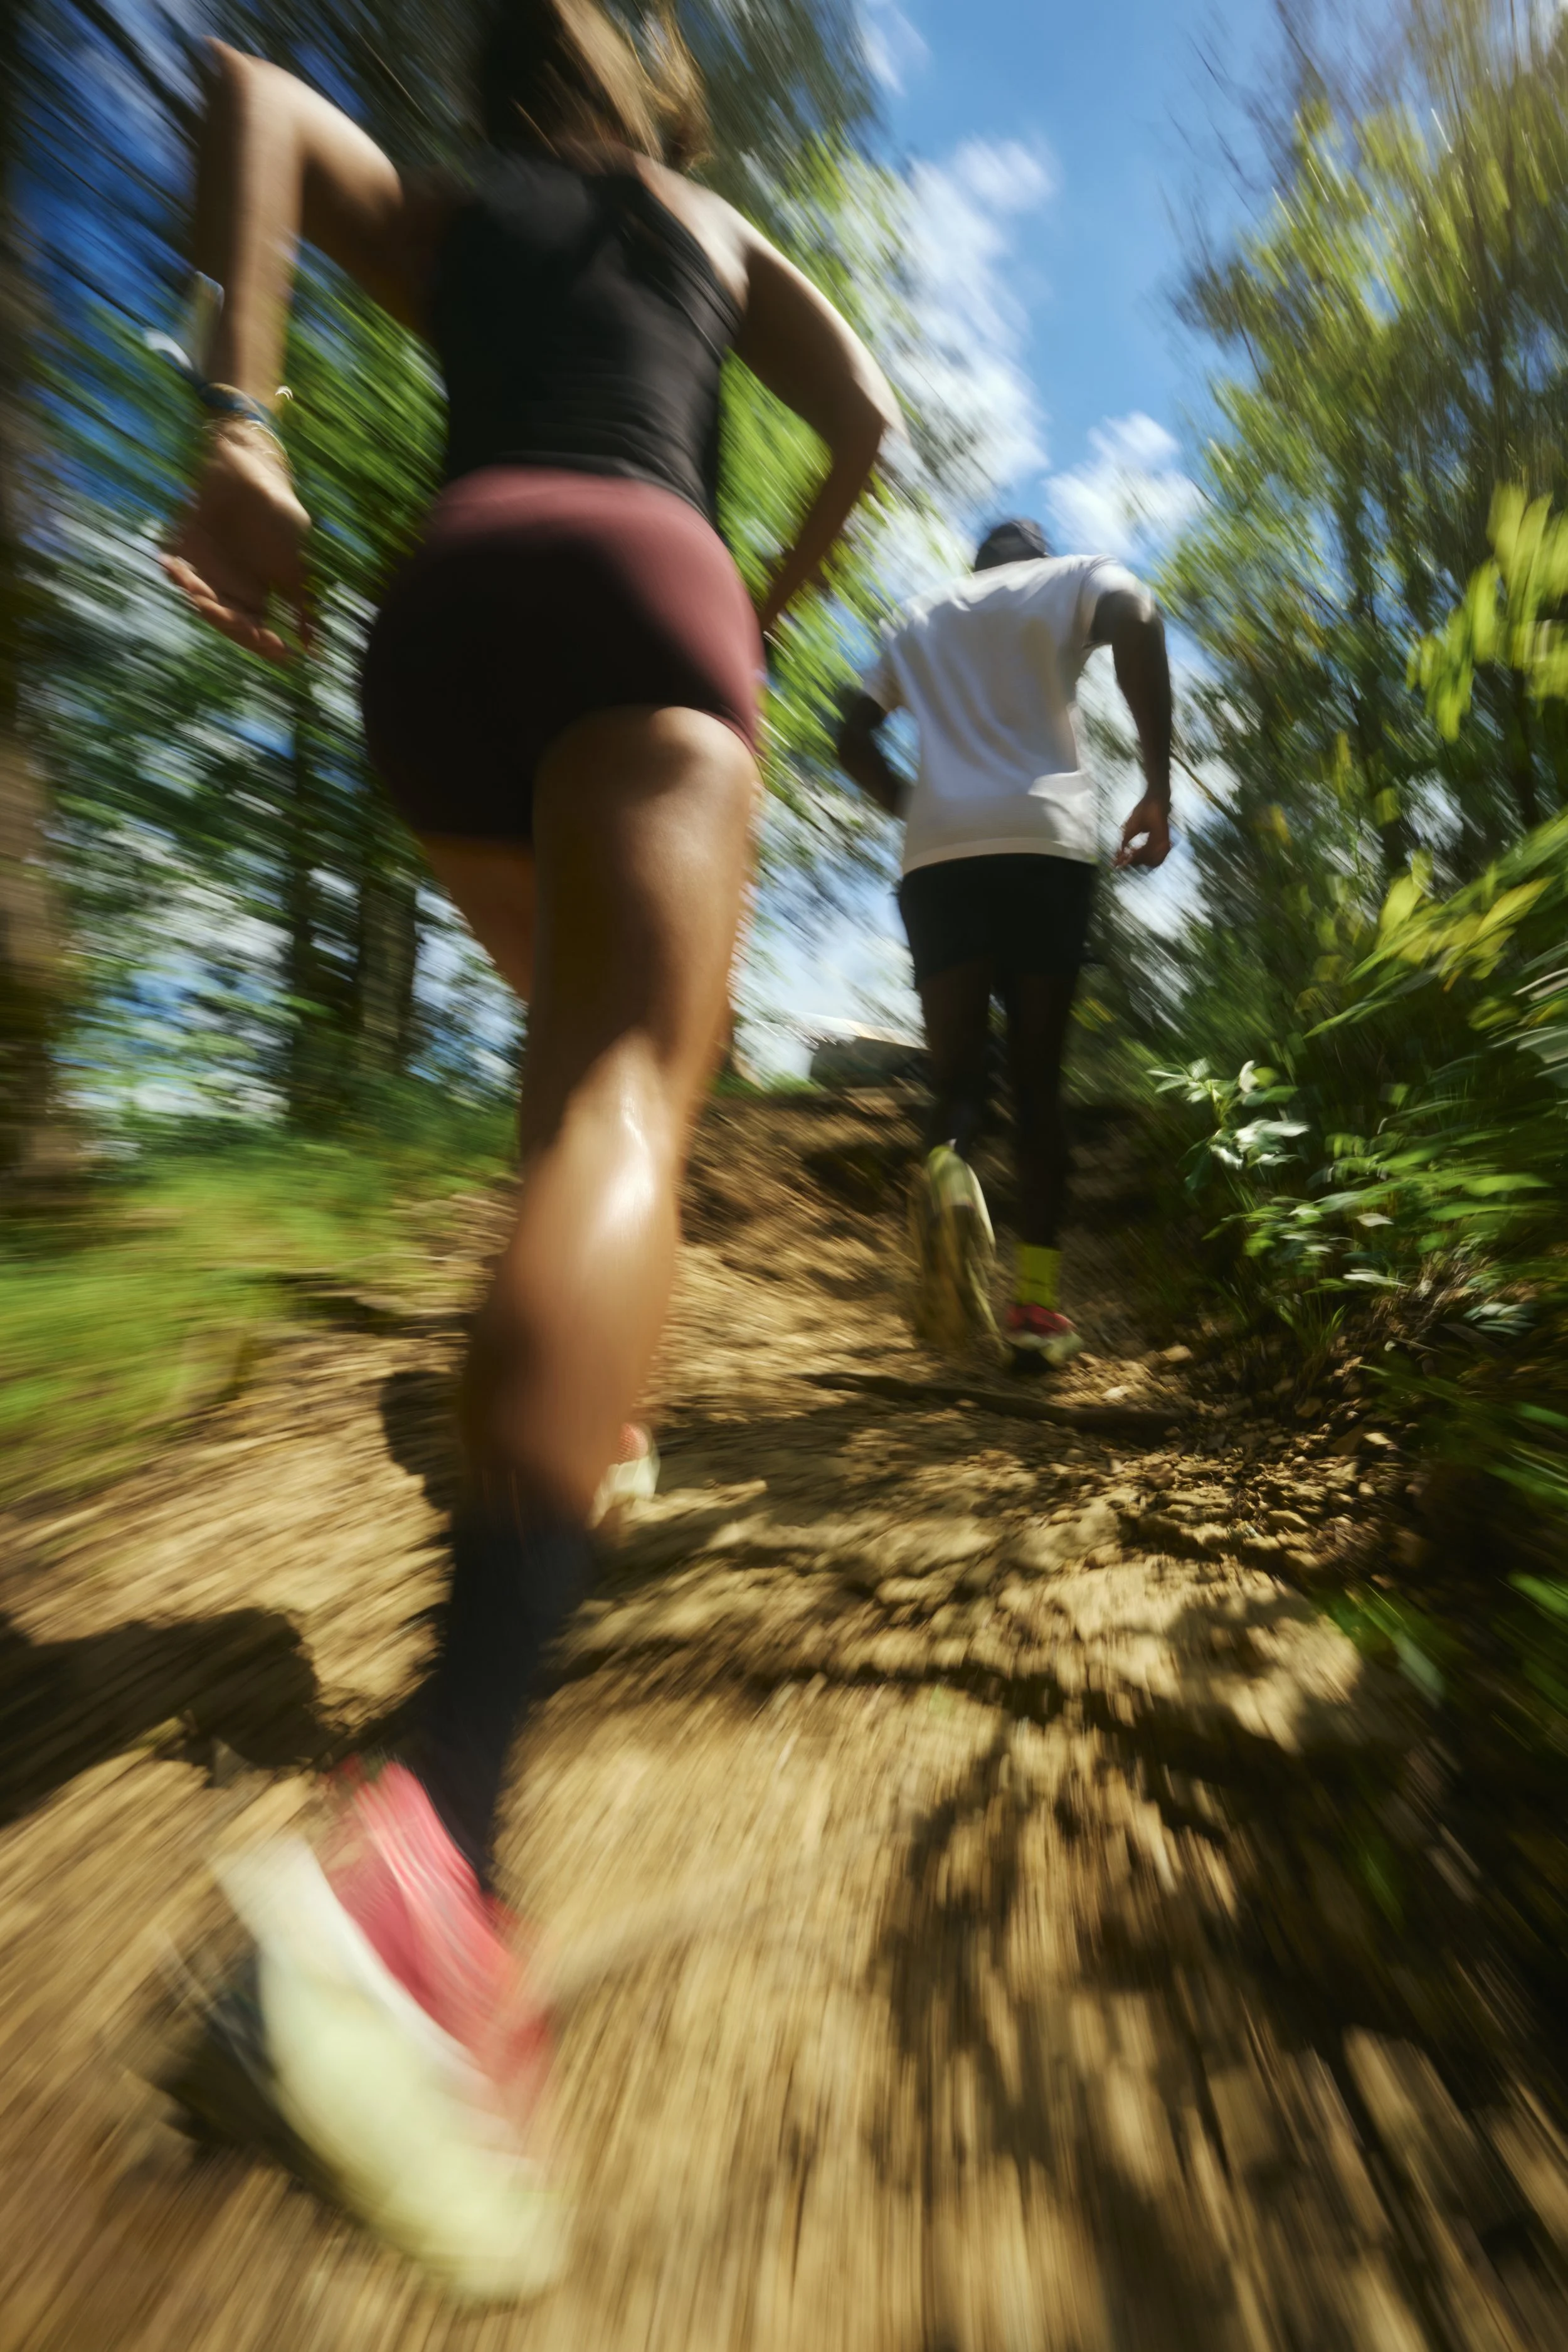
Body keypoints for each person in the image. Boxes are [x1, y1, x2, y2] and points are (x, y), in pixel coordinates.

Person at [162, 1, 896, 2296]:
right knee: (625, 1099)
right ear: (663, 93)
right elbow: (862, 414)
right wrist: (768, 594)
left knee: (558, 1066)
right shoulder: (711, 217)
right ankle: (427, 1866)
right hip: (646, 594)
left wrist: (244, 429)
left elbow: (257, 98)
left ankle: (590, 1419)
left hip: (446, 611)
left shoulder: (468, 208)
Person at [836, 516, 1171, 1369]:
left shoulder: (916, 616)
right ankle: (1036, 1308)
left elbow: (850, 734)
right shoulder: (1073, 578)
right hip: (1043, 846)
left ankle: (949, 1179)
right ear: (1039, 557)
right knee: (1037, 1082)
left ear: (976, 564)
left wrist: (913, 806)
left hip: (940, 857)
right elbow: (1139, 614)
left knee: (954, 1083)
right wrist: (1157, 787)